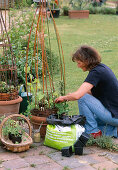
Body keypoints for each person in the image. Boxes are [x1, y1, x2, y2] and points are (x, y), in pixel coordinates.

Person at [55, 45, 118, 138]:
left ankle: (92, 132)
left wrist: (64, 98)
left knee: (82, 98)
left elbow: (79, 96)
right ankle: (113, 131)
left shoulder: (96, 72)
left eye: (79, 62)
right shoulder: (101, 68)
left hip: (114, 115)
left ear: (86, 61)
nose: (78, 66)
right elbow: (92, 92)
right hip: (114, 113)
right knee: (91, 121)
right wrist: (71, 95)